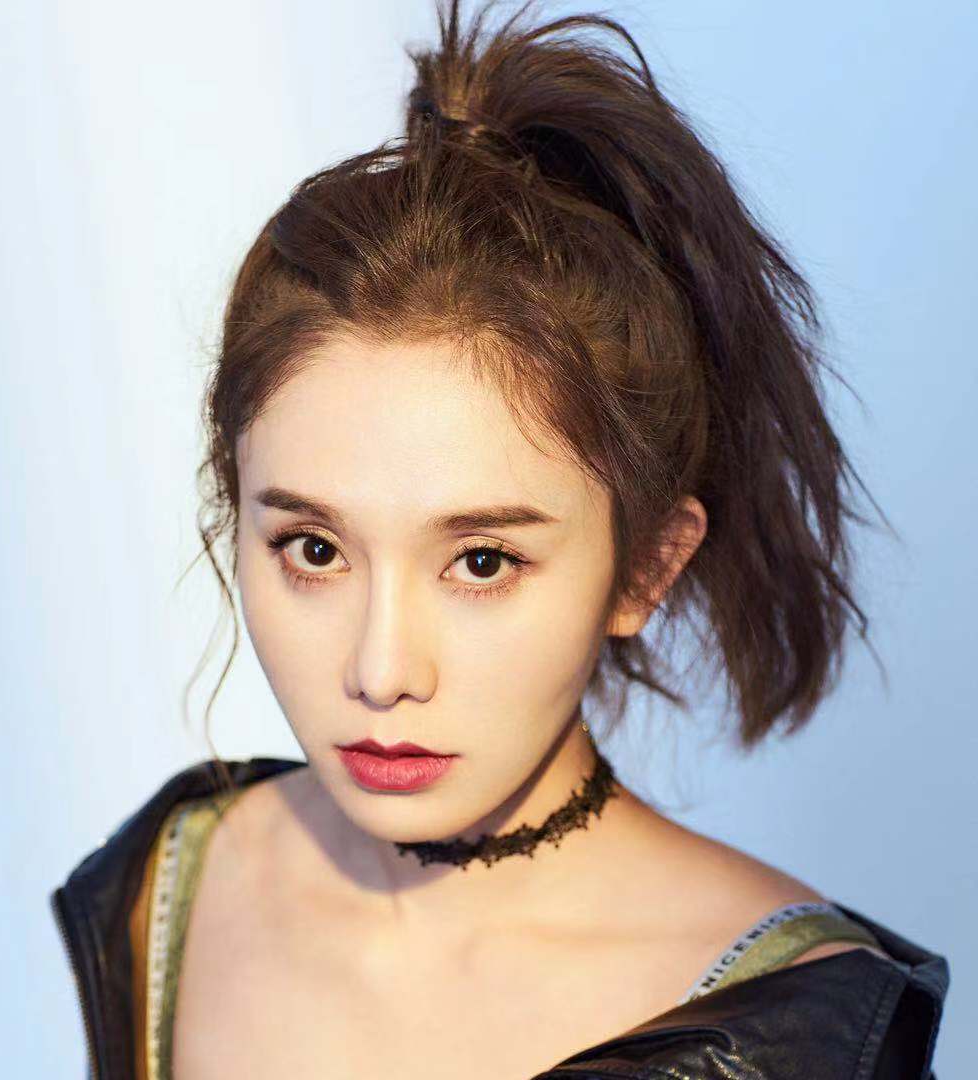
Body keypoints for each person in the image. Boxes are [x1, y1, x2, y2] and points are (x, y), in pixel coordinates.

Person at [50, 2, 949, 1077]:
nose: (381, 670)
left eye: (482, 562)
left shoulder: (792, 1029)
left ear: (648, 566)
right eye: (315, 550)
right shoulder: (172, 889)